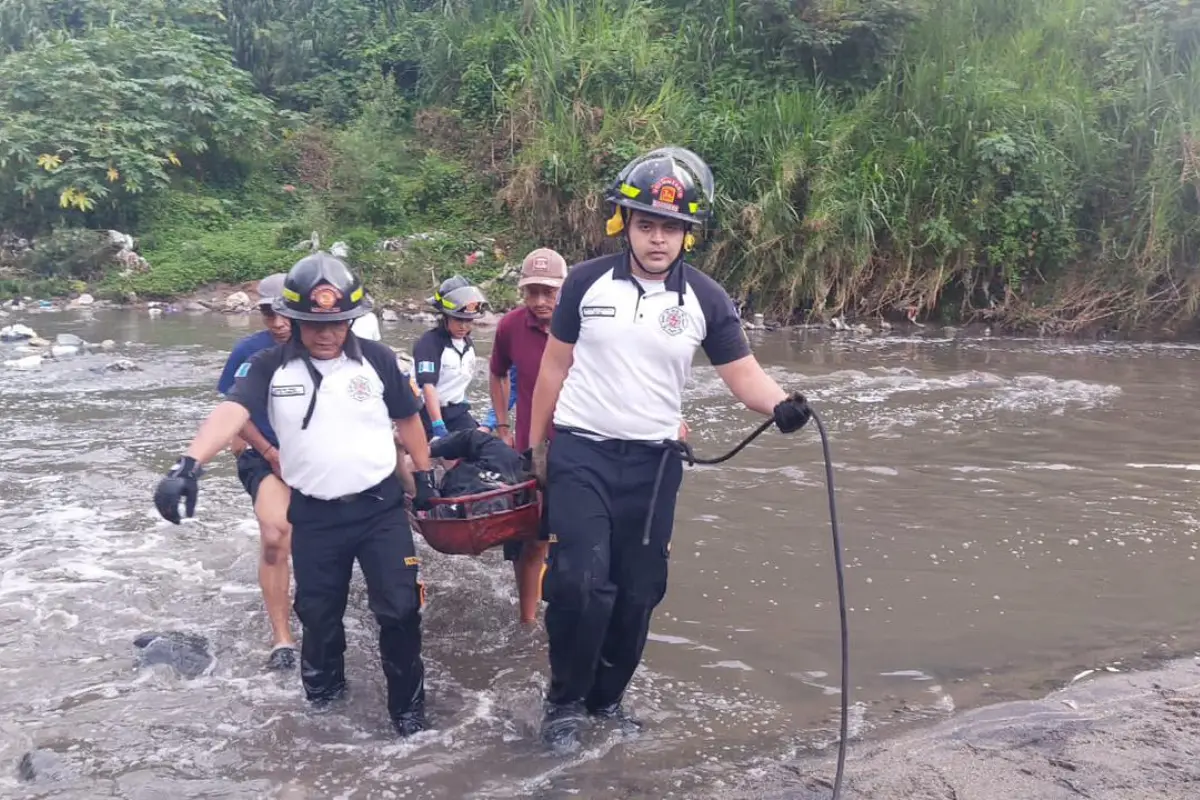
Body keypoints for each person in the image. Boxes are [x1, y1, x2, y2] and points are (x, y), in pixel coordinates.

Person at [526, 147, 813, 752]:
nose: (658, 239)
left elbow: (743, 375)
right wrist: (534, 449)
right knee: (581, 581)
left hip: (655, 463)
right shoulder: (584, 282)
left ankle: (607, 700)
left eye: (673, 228)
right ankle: (565, 703)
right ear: (625, 224)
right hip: (581, 452)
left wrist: (781, 403)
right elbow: (554, 368)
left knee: (639, 590)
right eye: (647, 225)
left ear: (690, 234)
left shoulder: (705, 300)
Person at [153, 252, 440, 736]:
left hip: (379, 510)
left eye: (338, 323)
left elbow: (409, 419)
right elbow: (232, 412)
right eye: (312, 324)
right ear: (292, 319)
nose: (326, 334)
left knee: (400, 610)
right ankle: (324, 710)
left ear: (351, 318)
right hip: (314, 515)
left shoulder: (379, 360)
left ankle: (409, 716)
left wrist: (426, 475)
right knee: (320, 615)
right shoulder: (269, 366)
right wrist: (188, 464)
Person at [215, 273, 298, 670]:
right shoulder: (248, 351)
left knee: (311, 538)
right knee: (274, 534)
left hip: (316, 457)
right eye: (269, 313)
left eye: (285, 312)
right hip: (265, 455)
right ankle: (282, 637)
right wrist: (266, 449)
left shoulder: (324, 347)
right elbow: (234, 409)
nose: (278, 322)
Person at [488, 248, 569, 622]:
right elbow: (497, 373)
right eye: (531, 291)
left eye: (548, 292)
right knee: (530, 541)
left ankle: (569, 614)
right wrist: (502, 426)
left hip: (581, 448)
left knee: (576, 538)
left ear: (564, 289)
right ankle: (528, 621)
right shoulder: (510, 327)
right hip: (531, 450)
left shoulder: (584, 325)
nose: (539, 301)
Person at [412, 275, 489, 441]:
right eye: (458, 320)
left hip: (457, 411)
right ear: (445, 317)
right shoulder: (429, 343)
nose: (464, 326)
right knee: (443, 455)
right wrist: (438, 425)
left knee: (482, 447)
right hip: (428, 413)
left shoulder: (467, 344)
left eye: (468, 321)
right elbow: (428, 386)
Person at [425, 429, 533, 520]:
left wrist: (431, 450)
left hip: (498, 500)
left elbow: (470, 437)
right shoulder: (449, 487)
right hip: (501, 503)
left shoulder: (496, 453)